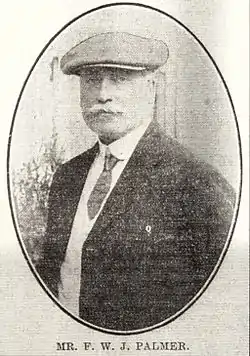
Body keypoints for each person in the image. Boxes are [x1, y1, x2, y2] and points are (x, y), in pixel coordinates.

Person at [37, 32, 235, 331]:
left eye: (118, 79)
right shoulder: (68, 177)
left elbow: (224, 304)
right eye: (91, 80)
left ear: (152, 87)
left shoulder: (195, 182)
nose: (102, 94)